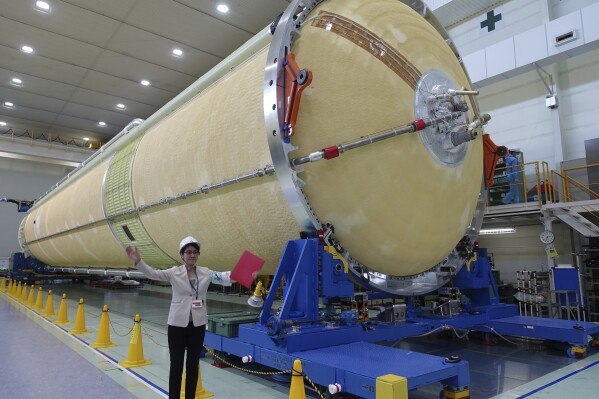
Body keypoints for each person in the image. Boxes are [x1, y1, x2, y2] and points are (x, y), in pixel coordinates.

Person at [125, 236, 232, 399]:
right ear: (182, 255)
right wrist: (139, 261)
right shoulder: (173, 273)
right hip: (177, 326)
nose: (192, 255)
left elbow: (225, 277)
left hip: (197, 325)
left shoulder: (206, 273)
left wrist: (247, 272)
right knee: (176, 366)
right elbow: (153, 274)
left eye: (195, 252)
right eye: (188, 252)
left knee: (193, 365)